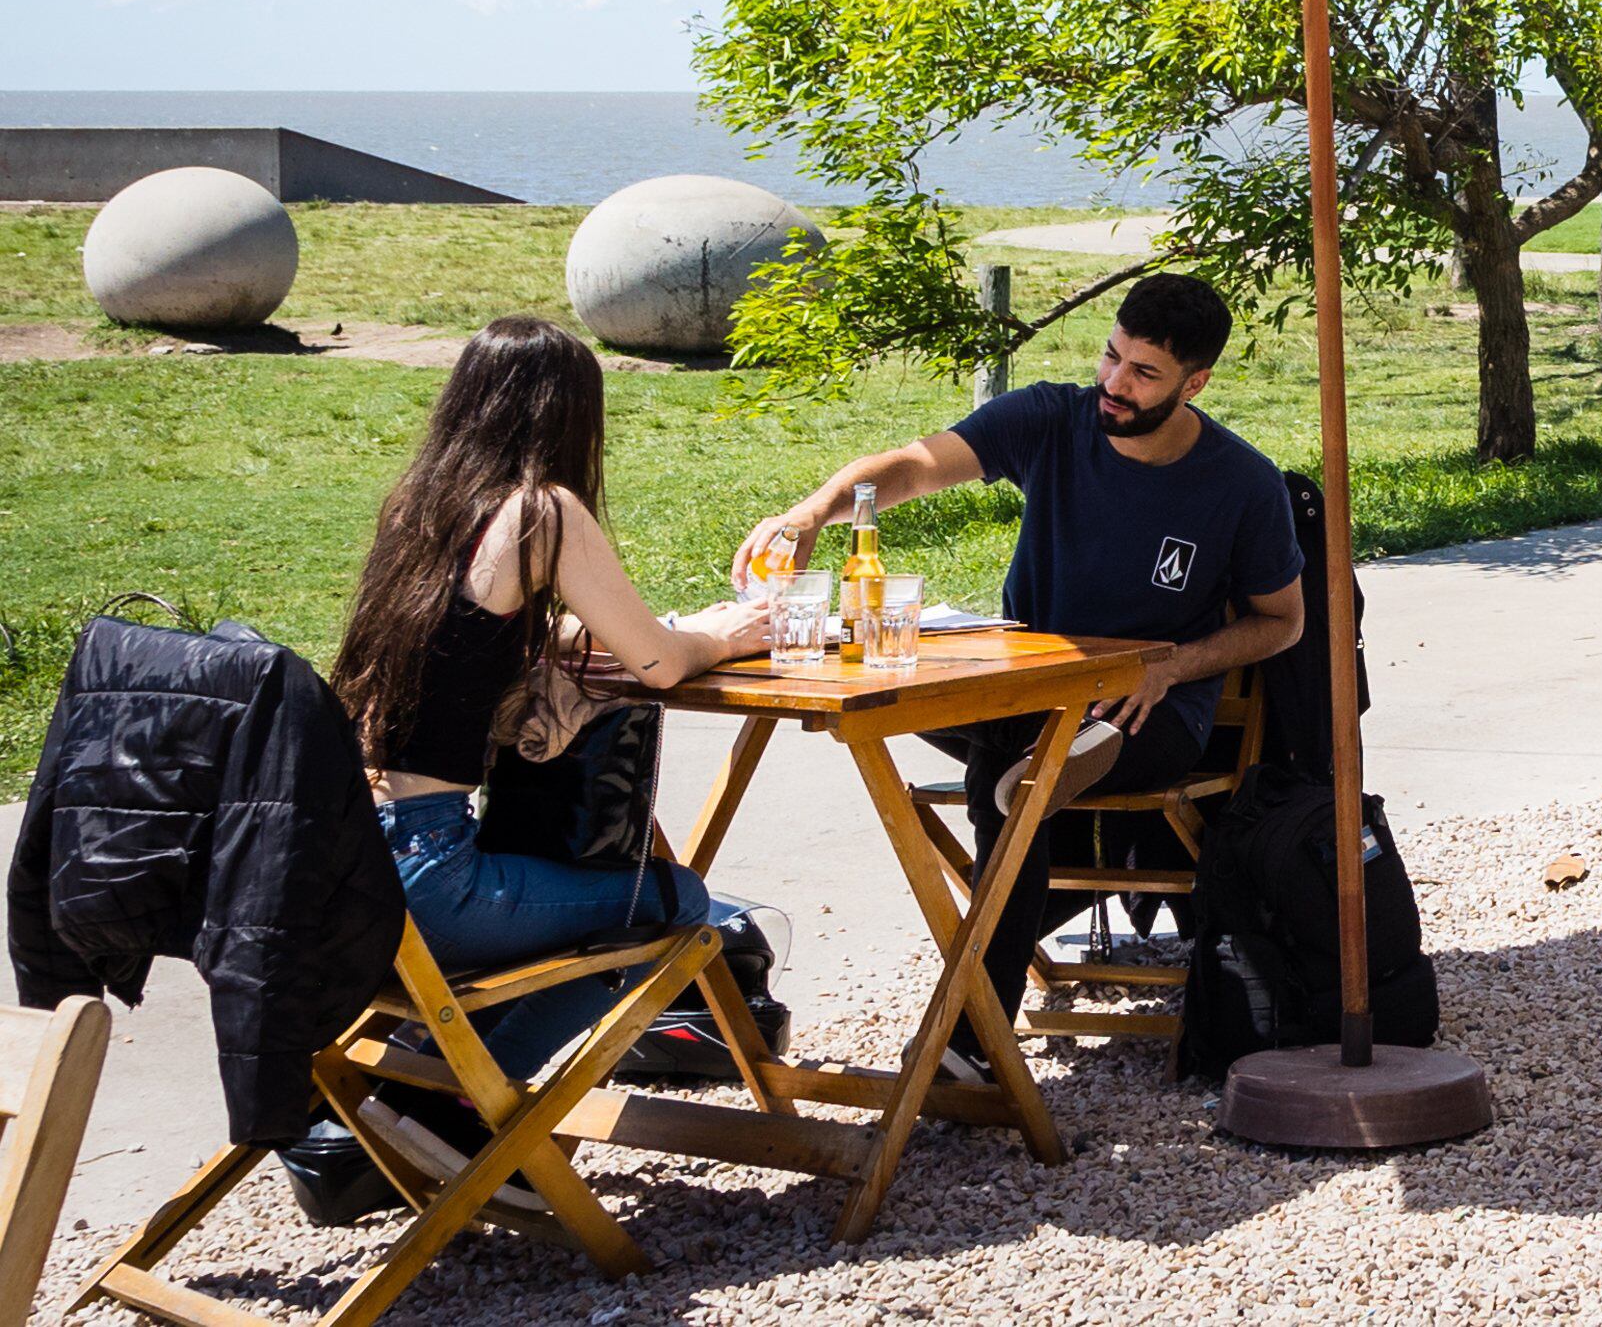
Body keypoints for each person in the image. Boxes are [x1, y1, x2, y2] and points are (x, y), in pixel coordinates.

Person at [738, 271, 1304, 1032]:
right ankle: (978, 1032)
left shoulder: (1243, 483)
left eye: (1143, 373)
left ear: (1195, 382)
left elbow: (1282, 622)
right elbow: (914, 465)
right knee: (949, 731)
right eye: (1110, 357)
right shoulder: (1049, 418)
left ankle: (976, 1029)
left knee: (1014, 784)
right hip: (1025, 691)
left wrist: (1169, 666)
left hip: (1144, 710)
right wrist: (814, 511)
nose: (1114, 383)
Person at [329, 316, 770, 1078]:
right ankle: (469, 1107)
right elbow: (661, 665)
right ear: (571, 417)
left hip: (343, 858)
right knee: (674, 903)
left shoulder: (419, 508)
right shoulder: (541, 511)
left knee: (593, 898)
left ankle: (434, 1092)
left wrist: (660, 632)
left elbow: (467, 633)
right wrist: (724, 638)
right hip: (431, 876)